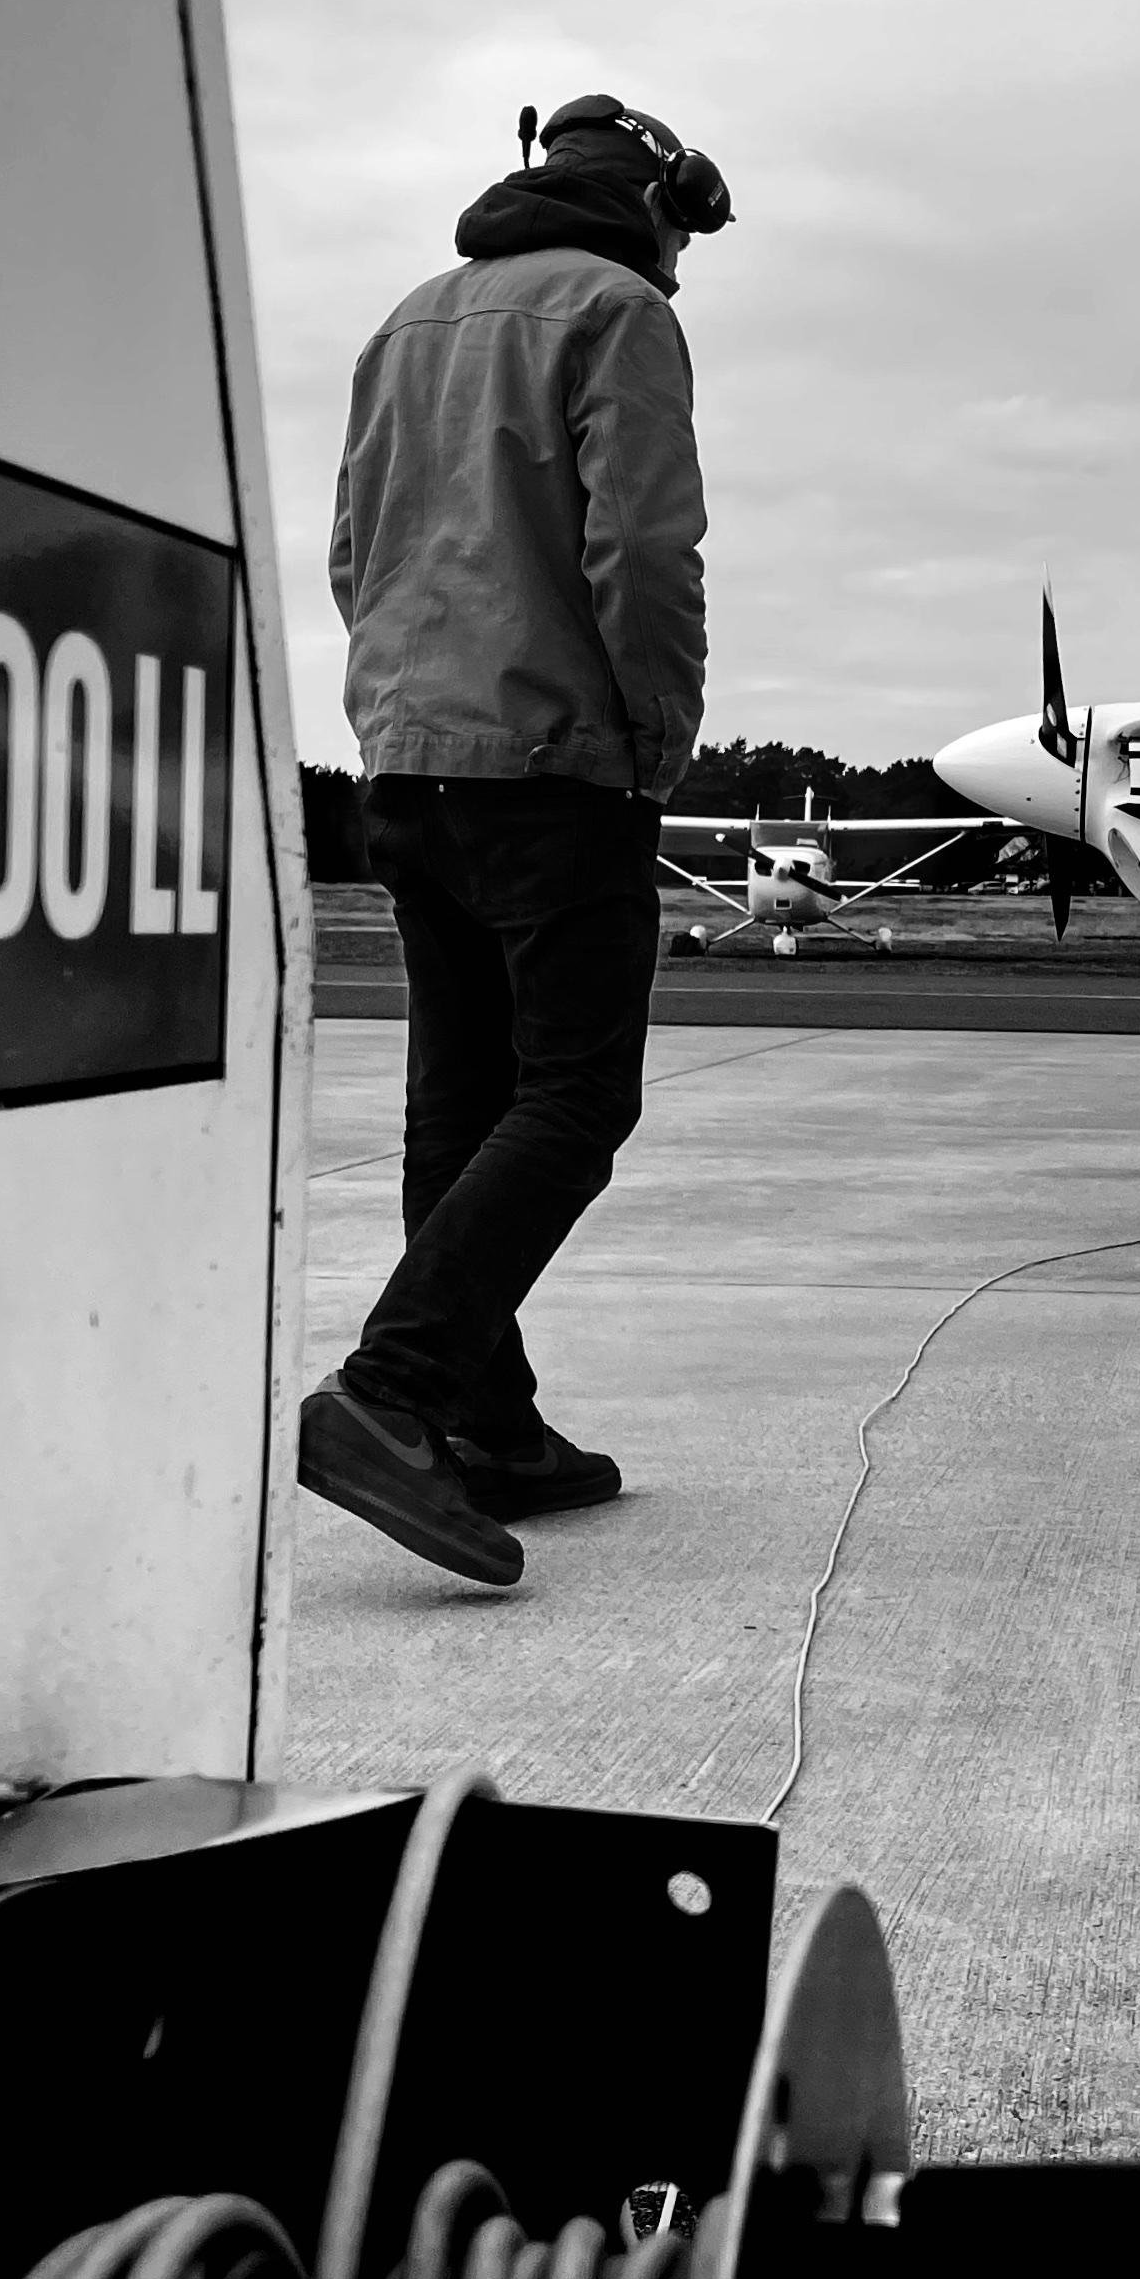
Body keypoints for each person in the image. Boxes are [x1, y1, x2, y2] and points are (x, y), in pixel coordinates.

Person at [299, 92, 731, 1586]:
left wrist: (402, 712)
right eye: (681, 236)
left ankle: (496, 1432)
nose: (680, 264)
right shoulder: (618, 311)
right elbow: (641, 546)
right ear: (650, 211)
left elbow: (353, 548)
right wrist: (652, 742)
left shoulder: (407, 320)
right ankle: (389, 1397)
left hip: (409, 763)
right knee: (571, 1099)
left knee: (461, 1101)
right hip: (551, 762)